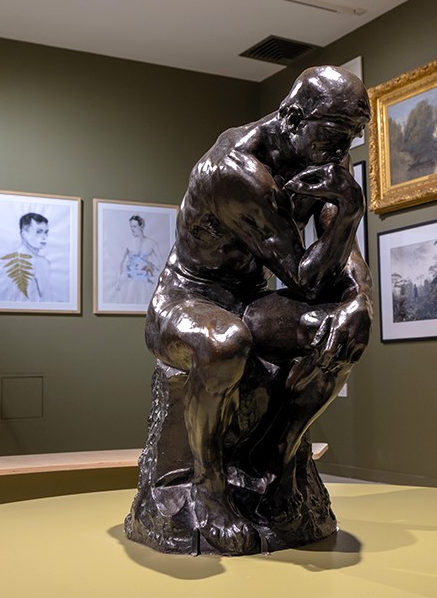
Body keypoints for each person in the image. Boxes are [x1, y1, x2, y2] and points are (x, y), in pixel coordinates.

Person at [142, 65, 372, 554]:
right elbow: (305, 275)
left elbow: (340, 248)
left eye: (352, 137)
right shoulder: (235, 170)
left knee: (347, 328)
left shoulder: (322, 150)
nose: (342, 150)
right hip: (187, 299)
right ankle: (209, 486)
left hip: (249, 300)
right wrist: (350, 208)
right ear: (293, 117)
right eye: (334, 134)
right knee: (226, 344)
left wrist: (359, 301)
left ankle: (278, 457)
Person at [0, 212, 55, 302]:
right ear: (24, 234)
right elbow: (49, 299)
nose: (44, 237)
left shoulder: (7, 260)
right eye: (38, 232)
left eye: (46, 232)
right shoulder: (41, 262)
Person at [111, 215, 163, 302]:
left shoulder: (151, 243)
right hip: (130, 282)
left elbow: (161, 262)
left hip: (147, 282)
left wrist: (151, 266)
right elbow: (120, 262)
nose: (132, 229)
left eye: (134, 226)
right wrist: (118, 281)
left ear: (141, 226)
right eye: (131, 226)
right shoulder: (128, 243)